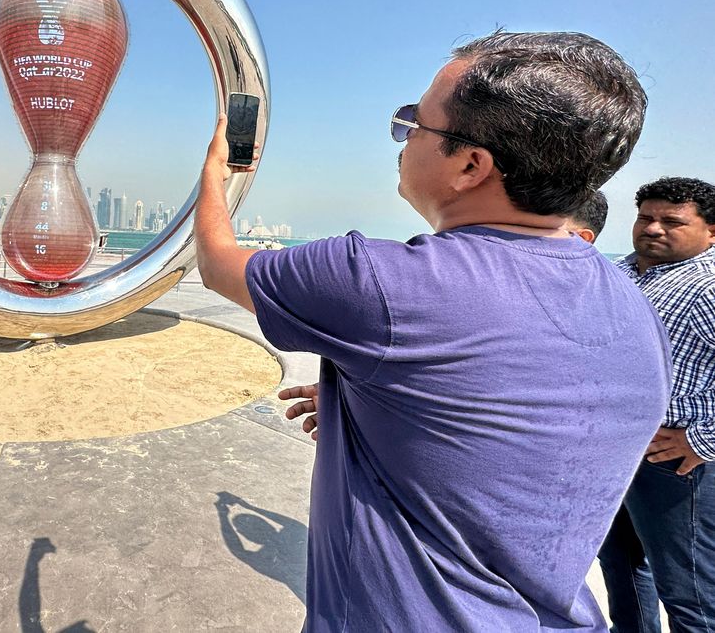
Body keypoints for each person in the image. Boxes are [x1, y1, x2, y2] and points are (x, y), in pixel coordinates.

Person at [194, 31, 671, 631]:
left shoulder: (374, 283)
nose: (403, 139)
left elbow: (216, 262)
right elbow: (533, 429)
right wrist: (386, 408)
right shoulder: (633, 306)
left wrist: (214, 173)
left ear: (471, 164)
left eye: (414, 124)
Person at [598, 176, 715, 633]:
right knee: (623, 573)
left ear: (711, 231)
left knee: (690, 594)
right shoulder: (621, 272)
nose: (653, 228)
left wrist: (703, 439)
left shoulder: (707, 287)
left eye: (672, 221)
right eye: (646, 217)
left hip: (675, 463)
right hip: (615, 453)